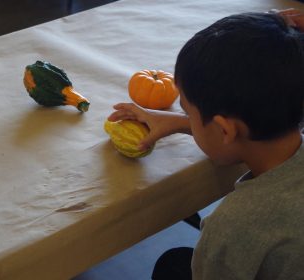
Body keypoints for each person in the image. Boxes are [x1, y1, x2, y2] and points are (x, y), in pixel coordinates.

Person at [108, 9, 304, 280]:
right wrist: (180, 122)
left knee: (172, 266)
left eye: (189, 112)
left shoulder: (234, 226)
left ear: (225, 130)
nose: (186, 117)